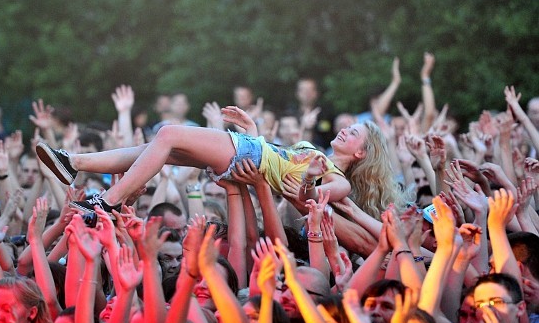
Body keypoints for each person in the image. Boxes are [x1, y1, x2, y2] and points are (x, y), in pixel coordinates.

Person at [36, 106, 399, 218]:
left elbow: (309, 202)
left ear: (361, 154)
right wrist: (255, 129)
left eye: (354, 133)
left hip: (249, 159)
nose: (345, 131)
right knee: (162, 147)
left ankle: (110, 202)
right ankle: (74, 162)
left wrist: (309, 182)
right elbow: (280, 158)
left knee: (169, 135)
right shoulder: (314, 151)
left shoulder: (341, 179)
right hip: (252, 150)